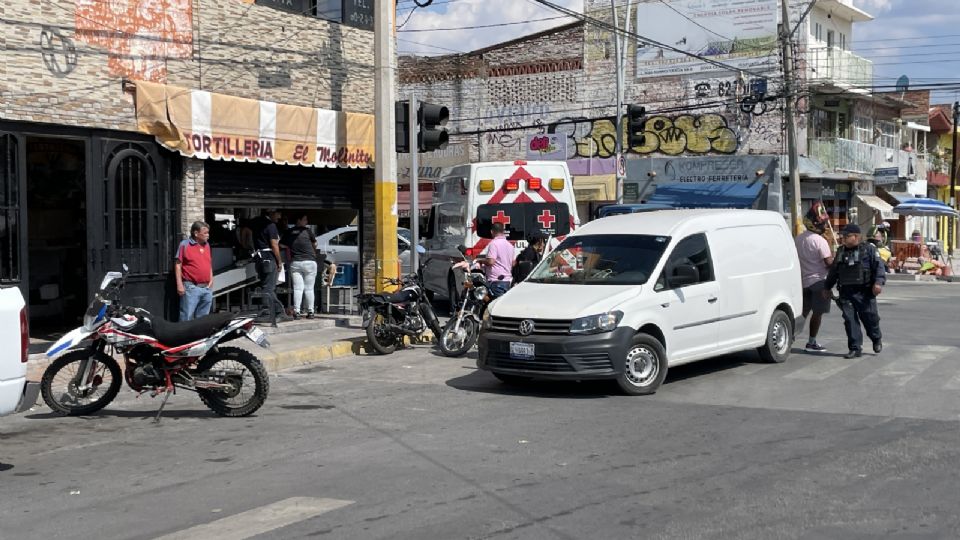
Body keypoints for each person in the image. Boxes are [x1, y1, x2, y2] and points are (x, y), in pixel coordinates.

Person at [824, 224, 886, 359]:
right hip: (846, 292)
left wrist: (878, 283)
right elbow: (834, 271)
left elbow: (879, 267)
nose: (843, 239)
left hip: (865, 293)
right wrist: (827, 287)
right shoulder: (841, 251)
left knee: (870, 319)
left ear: (856, 236)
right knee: (850, 320)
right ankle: (855, 348)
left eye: (847, 236)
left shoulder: (869, 249)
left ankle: (876, 338)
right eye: (842, 236)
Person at [795, 211, 834, 352]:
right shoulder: (820, 241)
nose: (825, 226)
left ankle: (790, 337)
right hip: (819, 281)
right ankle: (811, 342)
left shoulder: (798, 239)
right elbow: (829, 263)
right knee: (817, 313)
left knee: (803, 313)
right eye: (823, 224)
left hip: (802, 281)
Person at [250, 210, 288, 323]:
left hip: (259, 257)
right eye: (277, 213)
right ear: (270, 213)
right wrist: (279, 261)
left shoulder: (255, 223)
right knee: (269, 288)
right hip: (269, 258)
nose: (279, 216)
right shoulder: (271, 225)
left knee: (265, 286)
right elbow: (274, 244)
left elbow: (246, 232)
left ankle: (271, 311)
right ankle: (275, 312)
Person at [174, 221, 214, 321]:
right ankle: (184, 332)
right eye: (205, 233)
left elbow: (208, 264)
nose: (208, 235)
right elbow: (178, 265)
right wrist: (179, 284)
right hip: (191, 287)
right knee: (186, 317)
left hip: (206, 288)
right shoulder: (185, 245)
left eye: (208, 232)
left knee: (203, 318)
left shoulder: (207, 245)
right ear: (196, 233)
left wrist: (211, 280)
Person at [281, 214, 319, 319]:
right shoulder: (307, 231)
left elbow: (281, 245)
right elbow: (315, 244)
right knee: (309, 289)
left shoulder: (289, 232)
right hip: (310, 262)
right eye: (305, 219)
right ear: (298, 220)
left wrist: (291, 245)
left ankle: (297, 312)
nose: (306, 221)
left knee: (298, 289)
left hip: (296, 263)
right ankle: (311, 312)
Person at [479, 222, 515, 298]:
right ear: (503, 231)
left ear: (492, 231)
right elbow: (513, 263)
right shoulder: (510, 245)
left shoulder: (494, 244)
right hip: (507, 281)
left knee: (495, 304)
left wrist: (481, 261)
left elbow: (491, 261)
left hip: (496, 281)